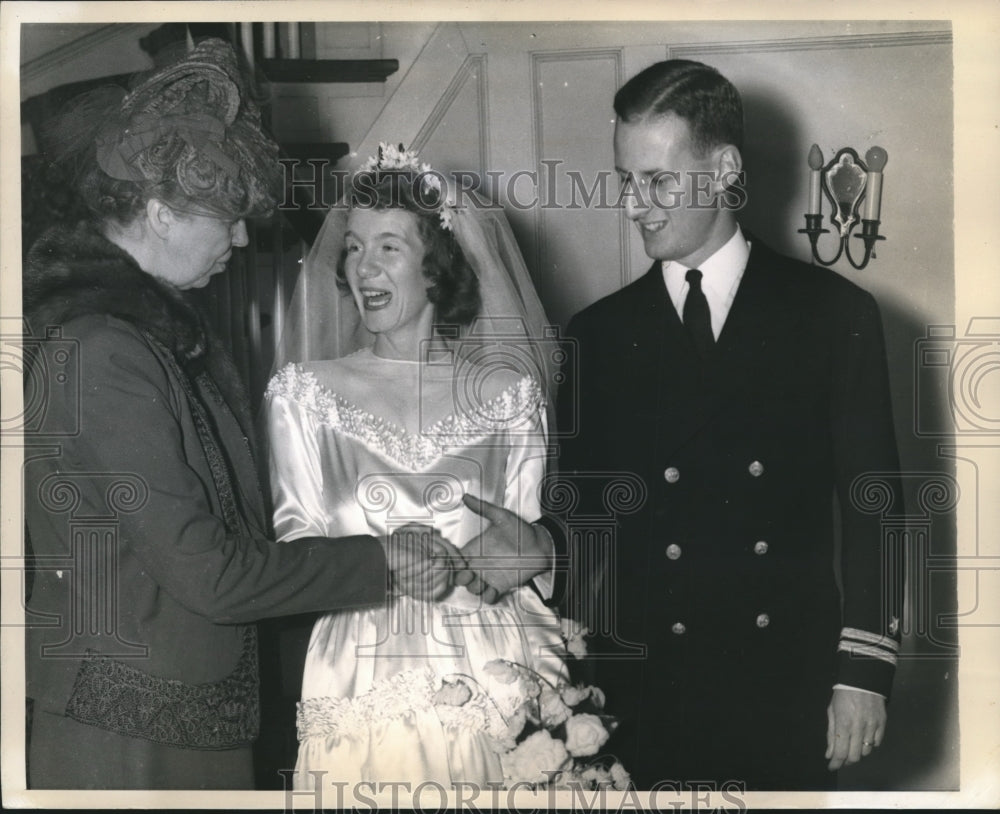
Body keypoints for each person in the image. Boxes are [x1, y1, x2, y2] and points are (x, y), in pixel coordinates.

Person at [21, 40, 466, 790]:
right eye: (225, 218)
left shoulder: (141, 338)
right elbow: (212, 572)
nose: (239, 239)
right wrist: (380, 559)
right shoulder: (103, 352)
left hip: (171, 713)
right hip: (131, 739)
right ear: (159, 213)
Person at [472, 59, 904, 790]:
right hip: (646, 695)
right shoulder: (600, 334)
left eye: (659, 181)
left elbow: (876, 506)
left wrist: (863, 673)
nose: (636, 204)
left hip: (786, 684)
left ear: (724, 168)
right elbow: (584, 510)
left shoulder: (833, 315)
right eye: (626, 181)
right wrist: (541, 544)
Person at [264, 145, 570, 790]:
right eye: (352, 247)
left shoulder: (508, 394)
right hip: (359, 673)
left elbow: (530, 551)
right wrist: (380, 557)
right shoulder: (303, 393)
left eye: (387, 248)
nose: (360, 267)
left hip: (491, 670)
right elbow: (295, 550)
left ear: (437, 267)